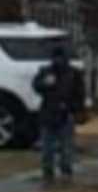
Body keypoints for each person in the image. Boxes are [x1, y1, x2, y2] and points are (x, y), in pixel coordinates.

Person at [33, 45, 87, 183]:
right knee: (47, 147)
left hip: (65, 112)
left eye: (61, 57)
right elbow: (36, 86)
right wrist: (46, 84)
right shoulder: (46, 72)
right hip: (48, 112)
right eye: (56, 57)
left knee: (66, 146)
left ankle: (66, 169)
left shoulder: (73, 74)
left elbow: (80, 94)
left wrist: (77, 110)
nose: (58, 60)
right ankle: (48, 170)